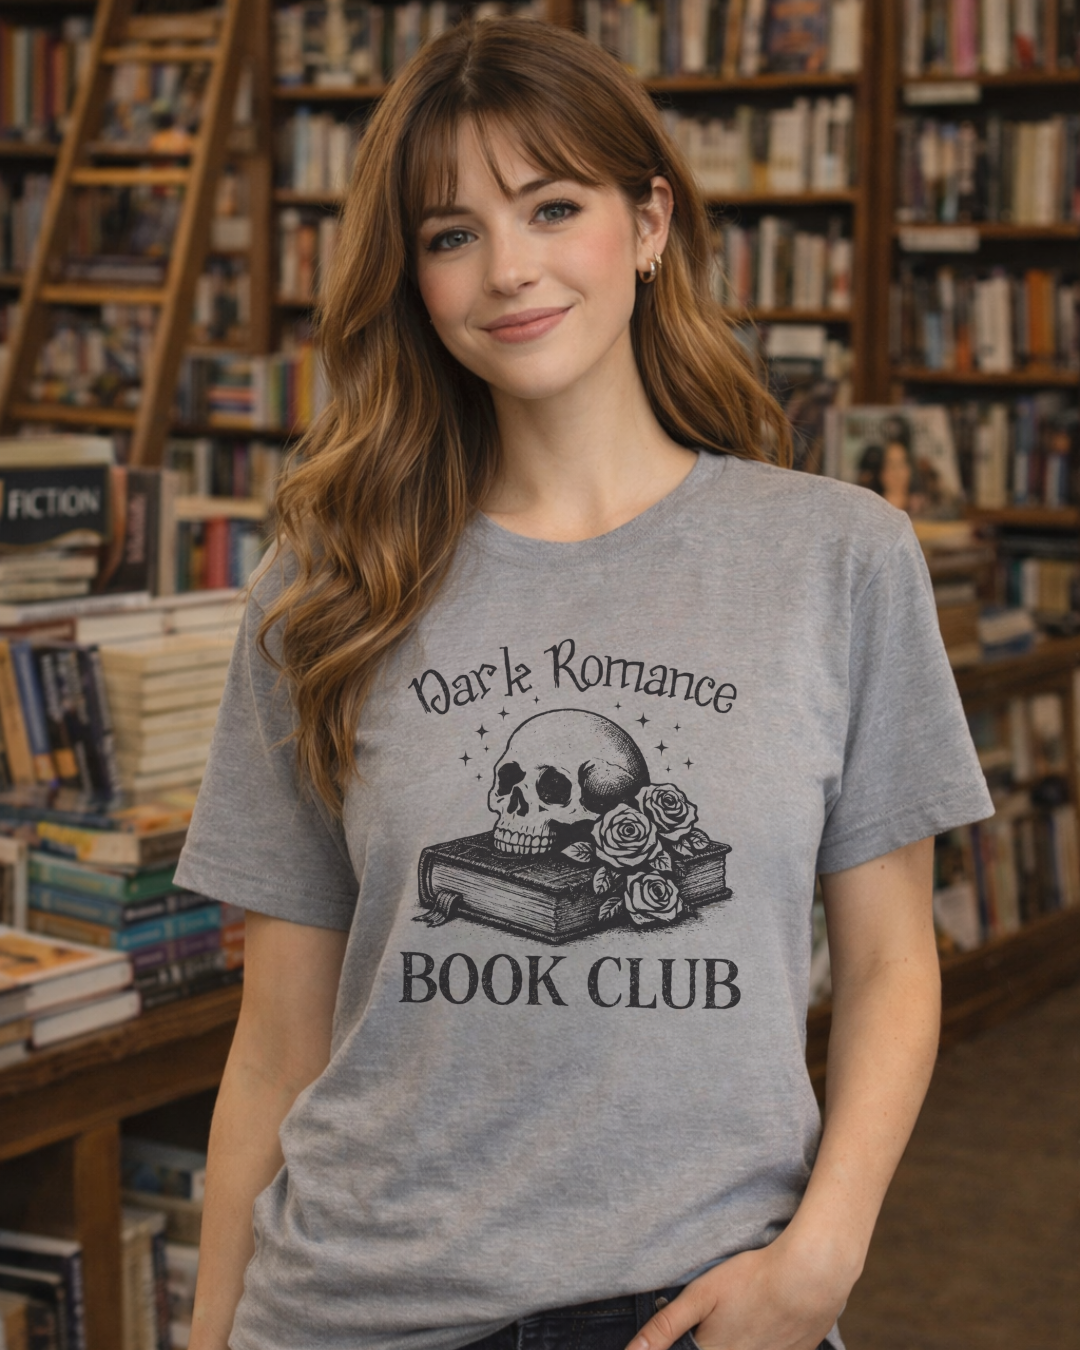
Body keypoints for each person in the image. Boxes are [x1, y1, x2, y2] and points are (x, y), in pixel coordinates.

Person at [175, 19, 992, 1350]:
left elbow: (897, 961)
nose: (509, 269)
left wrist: (821, 1260)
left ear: (650, 221)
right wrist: (207, 1332)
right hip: (354, 1309)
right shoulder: (323, 591)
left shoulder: (836, 558)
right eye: (450, 234)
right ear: (414, 279)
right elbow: (275, 1038)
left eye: (553, 206)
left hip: (708, 1306)